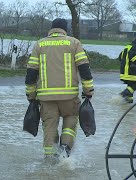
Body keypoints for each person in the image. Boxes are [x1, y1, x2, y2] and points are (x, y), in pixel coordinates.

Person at [25, 18, 94, 159]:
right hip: (69, 97)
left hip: (46, 98)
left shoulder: (39, 44)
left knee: (49, 127)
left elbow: (31, 72)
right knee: (70, 121)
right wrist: (88, 91)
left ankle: (50, 161)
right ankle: (65, 149)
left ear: (51, 28)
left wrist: (31, 95)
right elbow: (84, 69)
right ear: (65, 29)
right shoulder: (74, 43)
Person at [118, 37, 136, 103]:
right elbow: (132, 57)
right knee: (134, 86)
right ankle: (122, 94)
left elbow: (120, 57)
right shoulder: (134, 47)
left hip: (124, 73)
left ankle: (128, 101)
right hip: (132, 73)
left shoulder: (127, 47)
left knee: (131, 85)